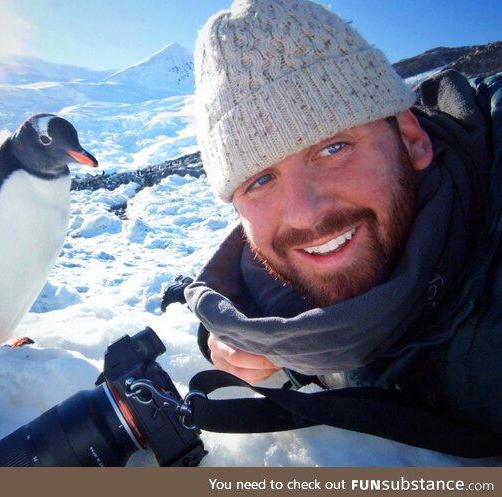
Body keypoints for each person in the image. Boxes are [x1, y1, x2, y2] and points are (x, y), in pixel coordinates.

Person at [184, 0, 502, 435]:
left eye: (332, 148)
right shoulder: (264, 298)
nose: (304, 213)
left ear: (411, 140)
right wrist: (234, 342)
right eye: (260, 180)